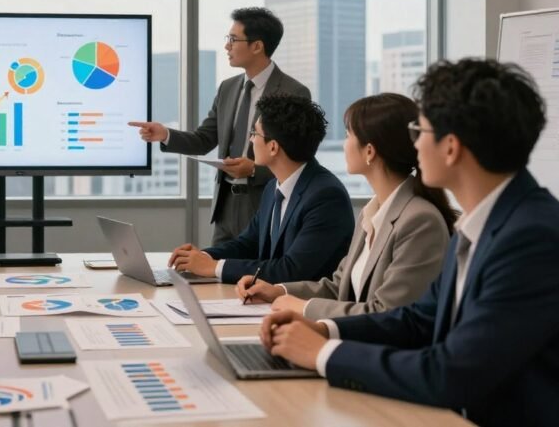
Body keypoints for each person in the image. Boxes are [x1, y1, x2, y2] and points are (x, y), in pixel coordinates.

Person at [260, 59, 559, 426]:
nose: (414, 143)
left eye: (421, 130)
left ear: (450, 148)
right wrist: (324, 329)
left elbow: (452, 373)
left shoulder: (531, 237)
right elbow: (419, 320)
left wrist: (324, 354)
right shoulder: (481, 224)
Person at [237, 93, 454, 319]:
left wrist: (303, 308)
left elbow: (387, 313)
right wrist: (278, 291)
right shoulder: (371, 214)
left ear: (369, 151)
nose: (344, 143)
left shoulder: (419, 221)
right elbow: (339, 286)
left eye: (349, 134)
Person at [130, 7, 310, 246]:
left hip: (265, 204)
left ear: (257, 46)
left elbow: (299, 160)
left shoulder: (293, 92)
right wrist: (165, 135)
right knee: (215, 274)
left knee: (254, 277)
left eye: (233, 39)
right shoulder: (228, 88)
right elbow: (204, 139)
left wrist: (254, 170)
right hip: (225, 208)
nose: (227, 46)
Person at [168, 94, 353, 284]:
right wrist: (203, 257)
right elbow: (248, 244)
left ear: (273, 147)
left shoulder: (326, 197)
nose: (251, 140)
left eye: (255, 133)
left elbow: (291, 270)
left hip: (306, 308)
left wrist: (214, 267)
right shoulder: (274, 186)